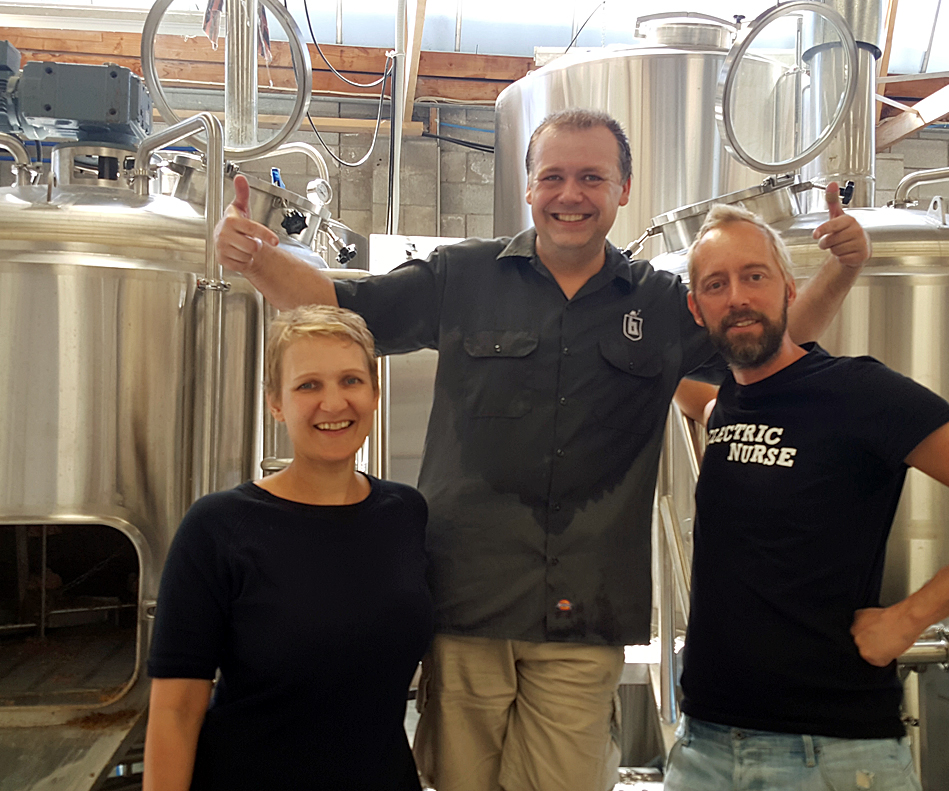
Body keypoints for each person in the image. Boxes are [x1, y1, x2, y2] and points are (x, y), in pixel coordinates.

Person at [212, 108, 870, 791]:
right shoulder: (462, 276)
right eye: (552, 176)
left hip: (587, 614)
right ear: (528, 187)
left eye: (592, 177)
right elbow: (338, 308)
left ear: (623, 188)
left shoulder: (662, 304)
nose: (570, 194)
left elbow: (771, 350)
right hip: (466, 603)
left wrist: (842, 270)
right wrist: (257, 260)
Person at [665, 204, 949, 791]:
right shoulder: (727, 404)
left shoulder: (857, 393)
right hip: (703, 747)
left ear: (788, 288)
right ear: (697, 308)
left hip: (830, 755)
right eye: (716, 284)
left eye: (754, 276)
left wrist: (910, 618)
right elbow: (683, 392)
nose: (737, 297)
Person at [143, 306, 432, 791]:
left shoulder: (405, 513)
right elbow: (175, 711)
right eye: (308, 385)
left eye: (351, 380)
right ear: (275, 403)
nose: (333, 403)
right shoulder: (218, 527)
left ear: (375, 392)